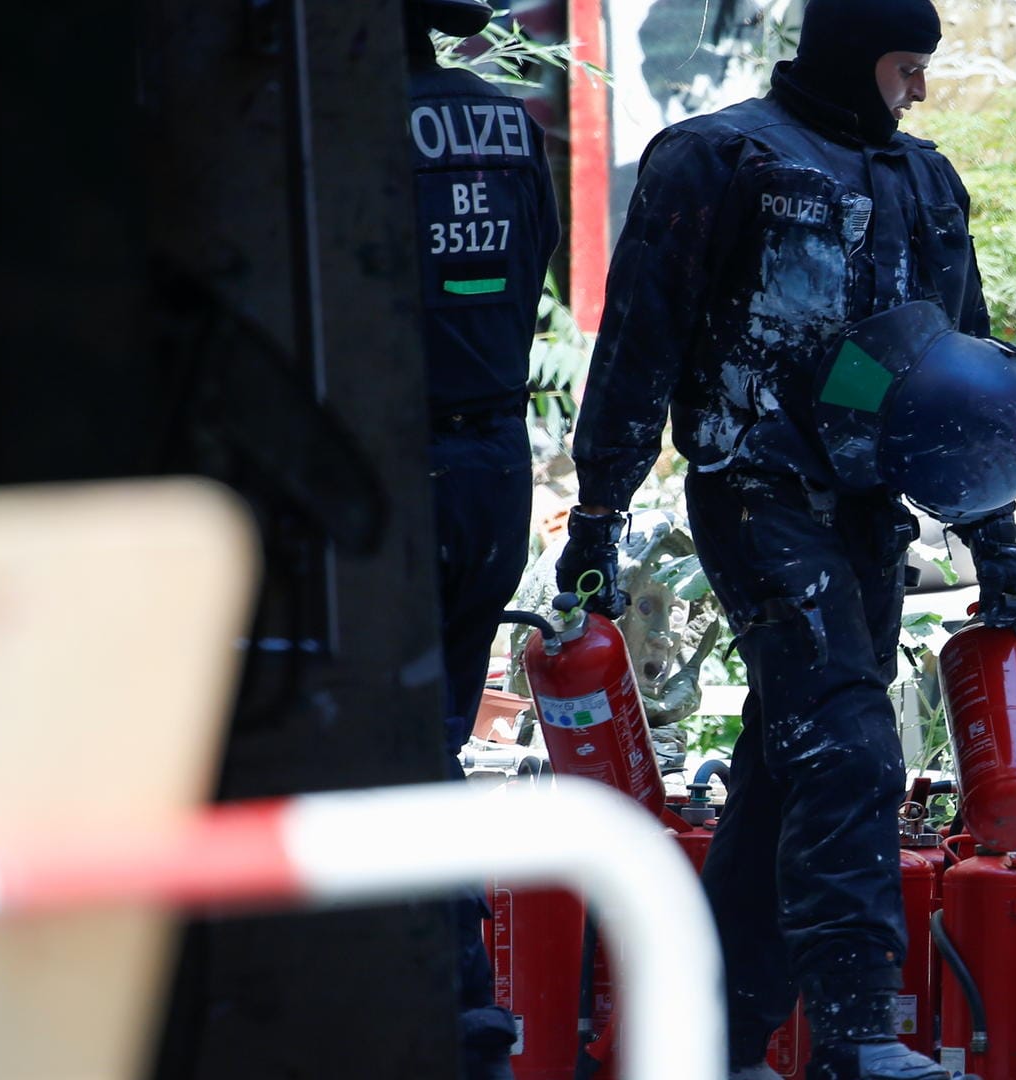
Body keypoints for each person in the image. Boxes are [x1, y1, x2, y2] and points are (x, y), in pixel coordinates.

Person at [555, 2, 1016, 1077]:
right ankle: (858, 1035)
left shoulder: (926, 186)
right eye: (905, 68)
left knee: (793, 768)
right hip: (755, 492)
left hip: (868, 509)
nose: (917, 91)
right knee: (851, 745)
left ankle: (718, 1046)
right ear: (852, 58)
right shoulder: (717, 158)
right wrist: (599, 514)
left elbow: (968, 393)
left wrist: (997, 539)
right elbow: (639, 344)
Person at [405, 1, 561, 1076]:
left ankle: (456, 1003)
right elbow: (535, 264)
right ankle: (461, 1001)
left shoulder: (341, 136)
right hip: (497, 462)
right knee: (441, 725)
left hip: (398, 463)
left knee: (398, 743)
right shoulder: (510, 124)